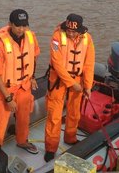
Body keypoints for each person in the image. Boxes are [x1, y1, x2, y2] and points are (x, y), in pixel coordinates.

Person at [0, 9, 40, 155]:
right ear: (10, 24)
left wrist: (32, 76)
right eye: (18, 26)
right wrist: (8, 98)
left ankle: (22, 141)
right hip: (6, 90)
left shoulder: (30, 37)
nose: (21, 29)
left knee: (24, 117)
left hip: (24, 86)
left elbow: (34, 56)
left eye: (24, 25)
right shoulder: (1, 44)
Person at [44, 13, 95, 162]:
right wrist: (72, 84)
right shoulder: (57, 37)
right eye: (69, 30)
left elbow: (89, 64)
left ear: (80, 31)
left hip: (78, 80)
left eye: (74, 31)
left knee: (74, 112)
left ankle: (70, 138)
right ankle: (51, 148)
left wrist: (88, 86)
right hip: (58, 81)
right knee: (54, 116)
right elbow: (57, 64)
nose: (71, 33)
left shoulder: (88, 39)